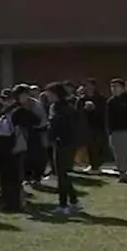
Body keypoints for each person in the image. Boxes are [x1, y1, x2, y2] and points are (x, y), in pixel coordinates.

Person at [47, 83, 83, 215]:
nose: (48, 96)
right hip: (62, 143)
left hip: (64, 143)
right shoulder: (58, 107)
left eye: (50, 93)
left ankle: (64, 204)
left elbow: (64, 126)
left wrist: (54, 136)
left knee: (61, 175)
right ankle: (74, 201)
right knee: (63, 174)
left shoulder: (62, 108)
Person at [106, 78, 127, 181]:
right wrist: (109, 131)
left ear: (123, 88)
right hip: (115, 130)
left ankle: (124, 173)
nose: (114, 89)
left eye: (116, 87)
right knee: (118, 152)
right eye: (112, 87)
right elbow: (108, 118)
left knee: (125, 152)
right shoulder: (111, 101)